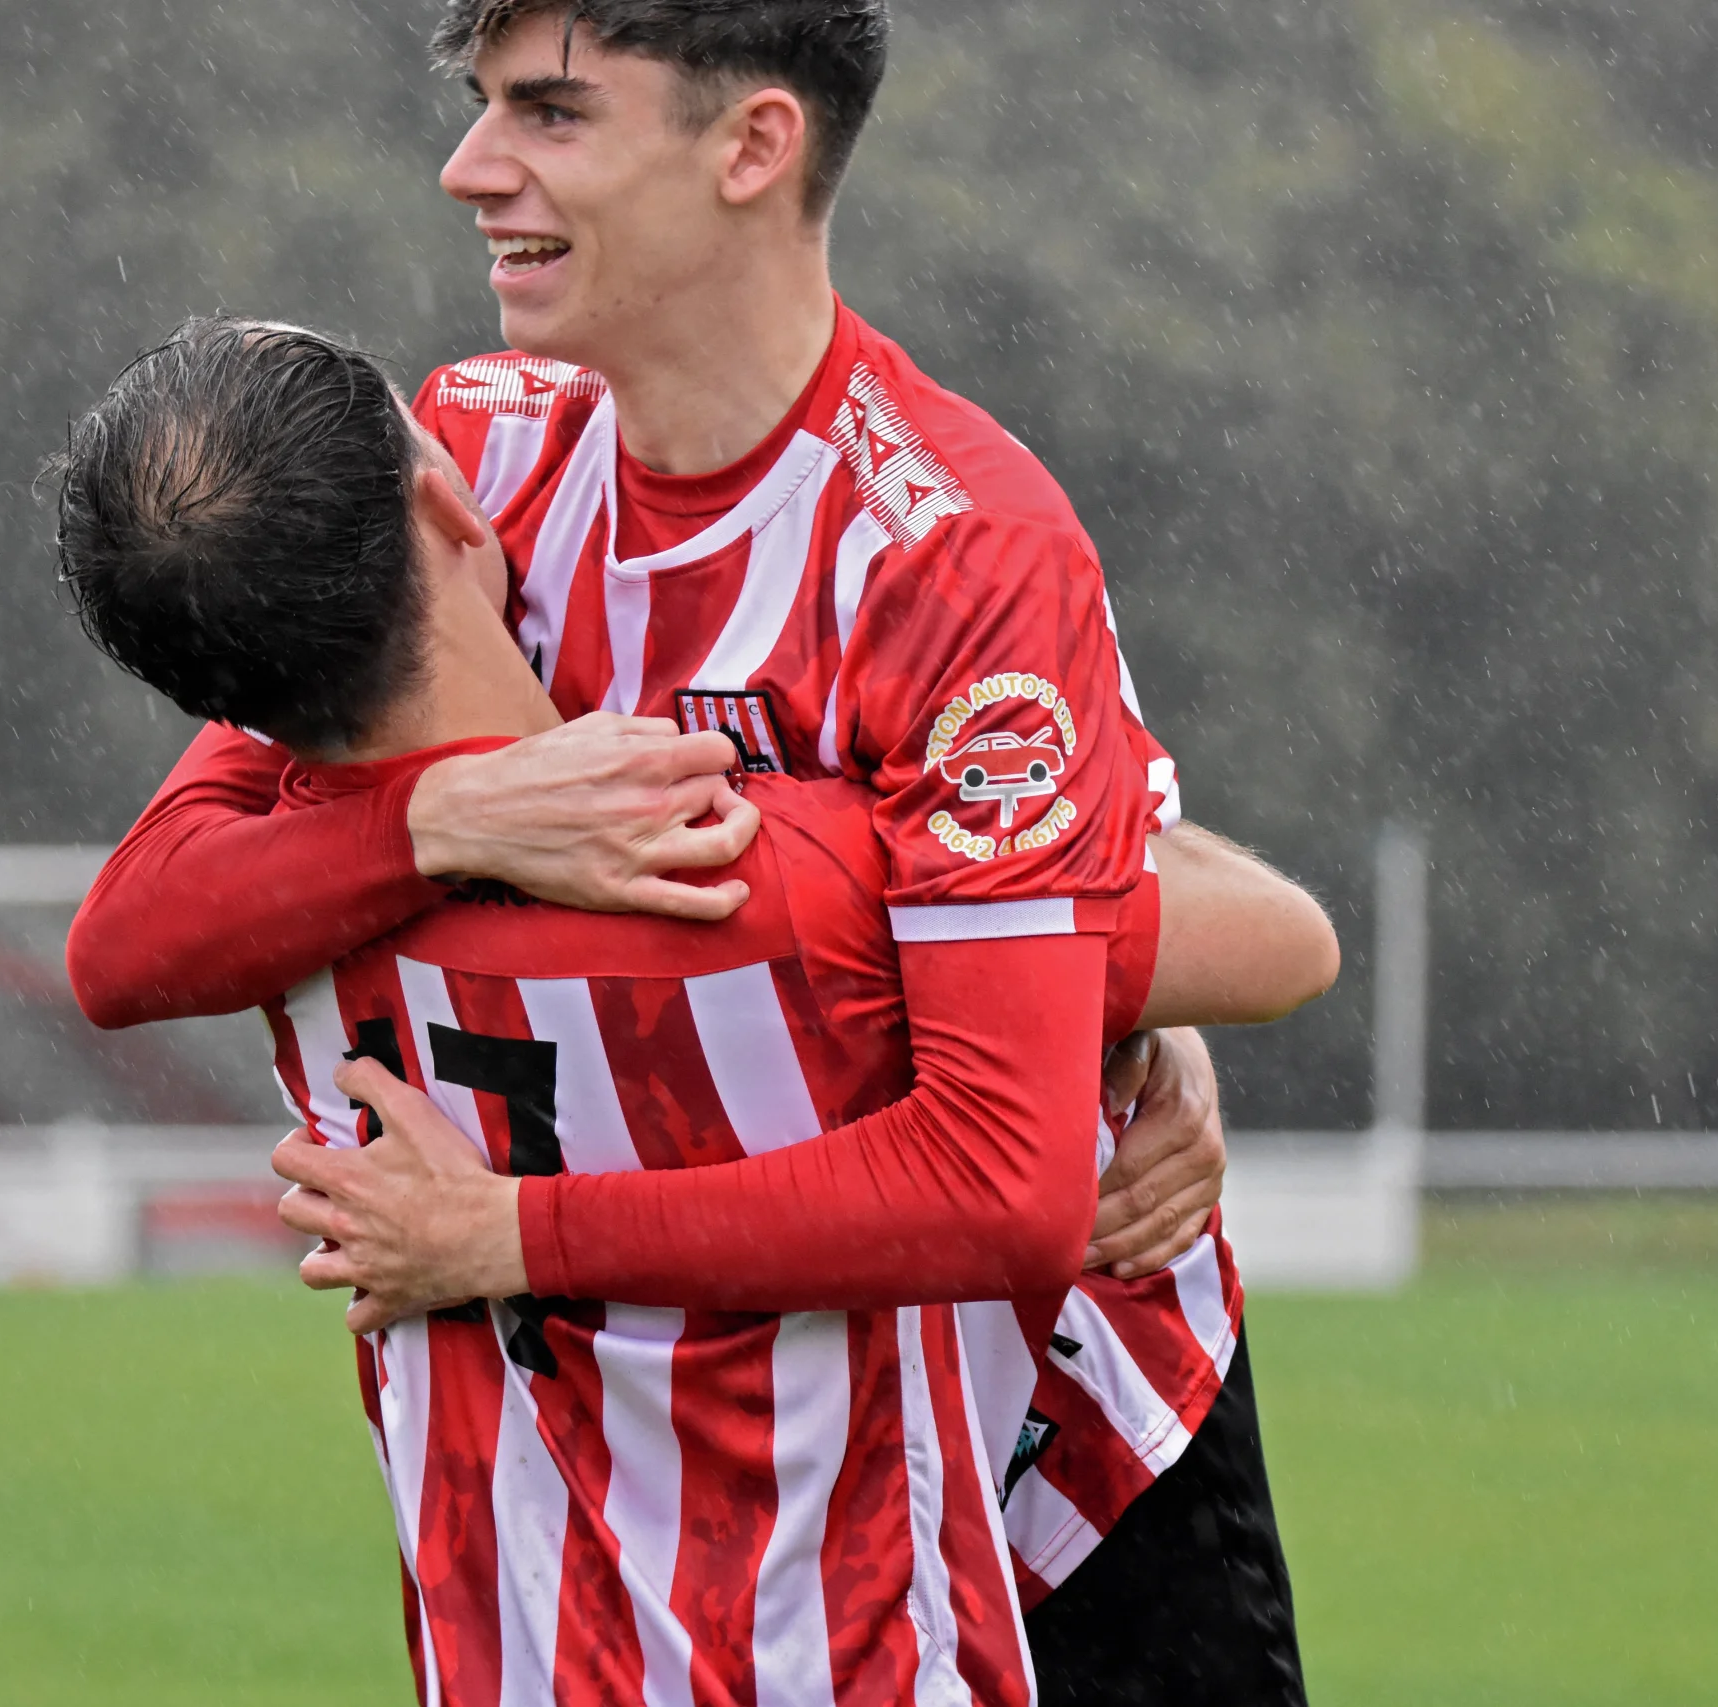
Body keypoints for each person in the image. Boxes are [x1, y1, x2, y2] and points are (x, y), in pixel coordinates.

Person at [67, 6, 1316, 1700]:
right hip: (711, 1491)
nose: (469, 166)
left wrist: (1081, 987)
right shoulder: (482, 448)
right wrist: (452, 813)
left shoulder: (952, 547)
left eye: (552, 114)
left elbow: (1241, 957)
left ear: (752, 147)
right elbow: (136, 930)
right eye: (481, 105)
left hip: (1078, 1438)